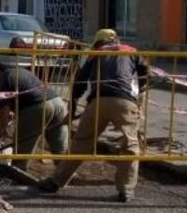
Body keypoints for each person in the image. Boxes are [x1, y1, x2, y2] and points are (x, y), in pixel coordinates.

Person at [38, 29, 148, 202]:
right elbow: (145, 70)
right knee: (131, 145)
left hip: (98, 102)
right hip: (125, 102)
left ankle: (55, 182)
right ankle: (126, 190)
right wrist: (141, 91)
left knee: (80, 144)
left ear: (98, 43)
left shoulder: (94, 54)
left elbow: (78, 84)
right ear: (116, 40)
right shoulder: (131, 51)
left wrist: (72, 111)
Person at [0, 39, 69, 171]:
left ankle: (17, 174)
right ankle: (65, 175)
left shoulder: (5, 78)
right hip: (58, 103)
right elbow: (22, 98)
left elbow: (4, 107)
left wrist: (2, 128)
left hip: (39, 106)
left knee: (23, 146)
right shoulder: (22, 72)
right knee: (59, 147)